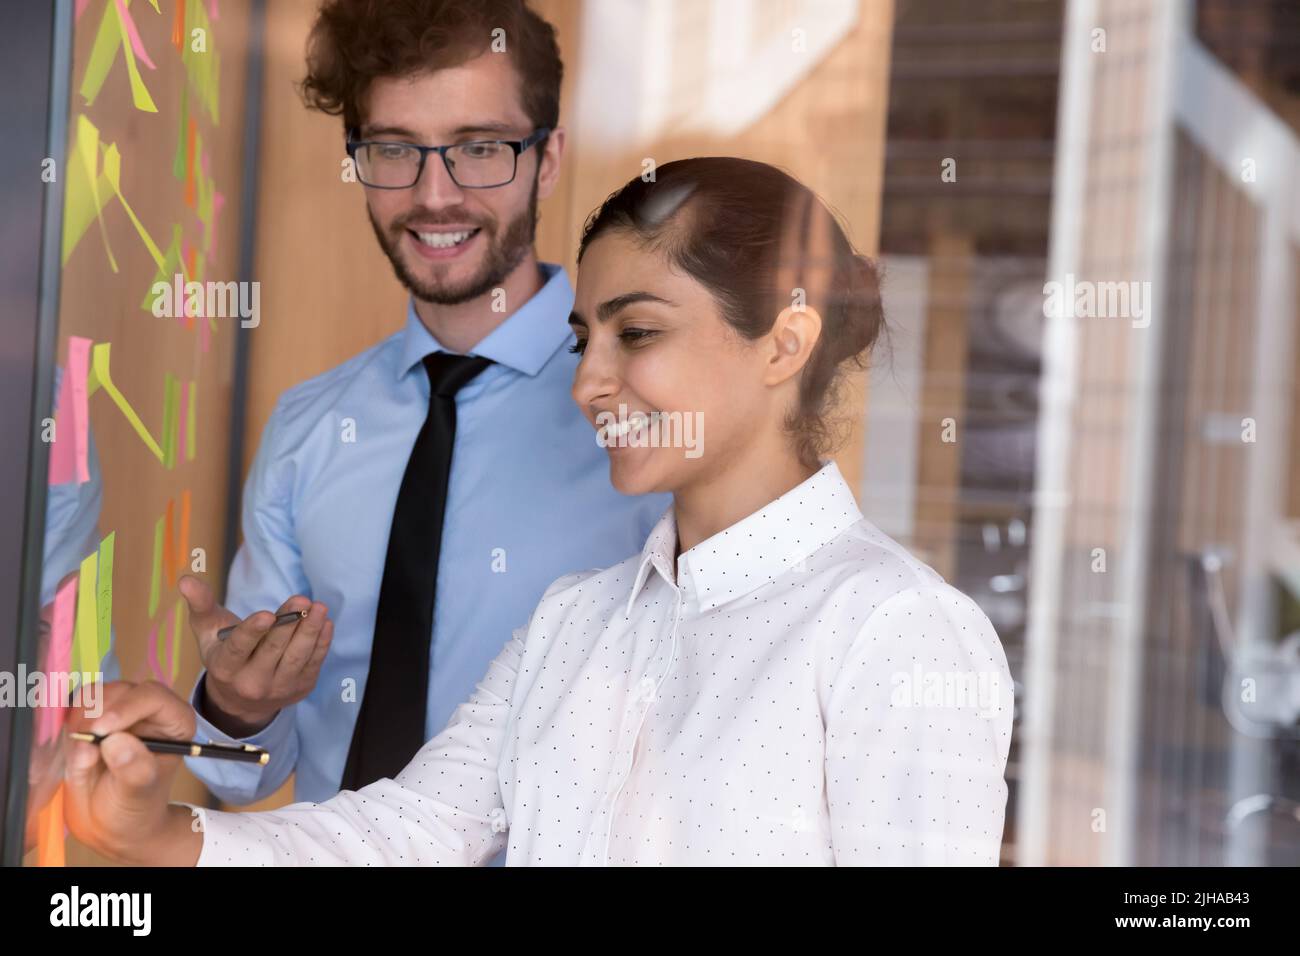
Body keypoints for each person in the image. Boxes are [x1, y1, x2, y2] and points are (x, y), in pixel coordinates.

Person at [64, 158, 1014, 866]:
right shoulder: (575, 620)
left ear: (784, 342)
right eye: (582, 338)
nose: (588, 383)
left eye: (636, 333)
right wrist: (161, 834)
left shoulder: (897, 631)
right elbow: (407, 833)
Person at [179, 0, 667, 811]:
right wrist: (240, 705)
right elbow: (244, 770)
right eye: (395, 150)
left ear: (547, 160)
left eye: (480, 148)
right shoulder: (307, 431)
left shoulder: (651, 423)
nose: (434, 195)